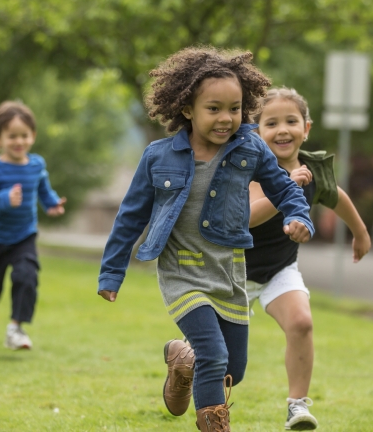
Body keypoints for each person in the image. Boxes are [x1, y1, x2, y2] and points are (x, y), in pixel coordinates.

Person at [97, 47, 315, 432]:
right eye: (213, 109)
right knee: (214, 355)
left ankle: (182, 360)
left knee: (233, 369)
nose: (225, 118)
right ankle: (216, 425)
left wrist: (299, 216)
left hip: (228, 271)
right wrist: (112, 273)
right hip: (181, 273)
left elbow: (285, 189)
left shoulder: (251, 150)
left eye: (234, 109)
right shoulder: (157, 156)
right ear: (187, 109)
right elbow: (130, 216)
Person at [245, 87, 371, 430]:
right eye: (271, 123)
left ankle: (297, 406)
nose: (282, 129)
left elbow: (336, 196)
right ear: (257, 132)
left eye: (291, 121)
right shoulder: (251, 166)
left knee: (301, 323)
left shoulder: (312, 169)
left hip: (278, 271)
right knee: (222, 354)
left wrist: (360, 232)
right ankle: (185, 358)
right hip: (231, 272)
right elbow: (251, 215)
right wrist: (286, 186)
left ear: (306, 128)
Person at [0, 101, 67, 351]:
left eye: (24, 135)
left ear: (33, 136)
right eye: (12, 136)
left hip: (24, 236)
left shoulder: (36, 164)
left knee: (27, 276)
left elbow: (43, 189)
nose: (19, 141)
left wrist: (51, 203)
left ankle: (15, 328)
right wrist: (5, 199)